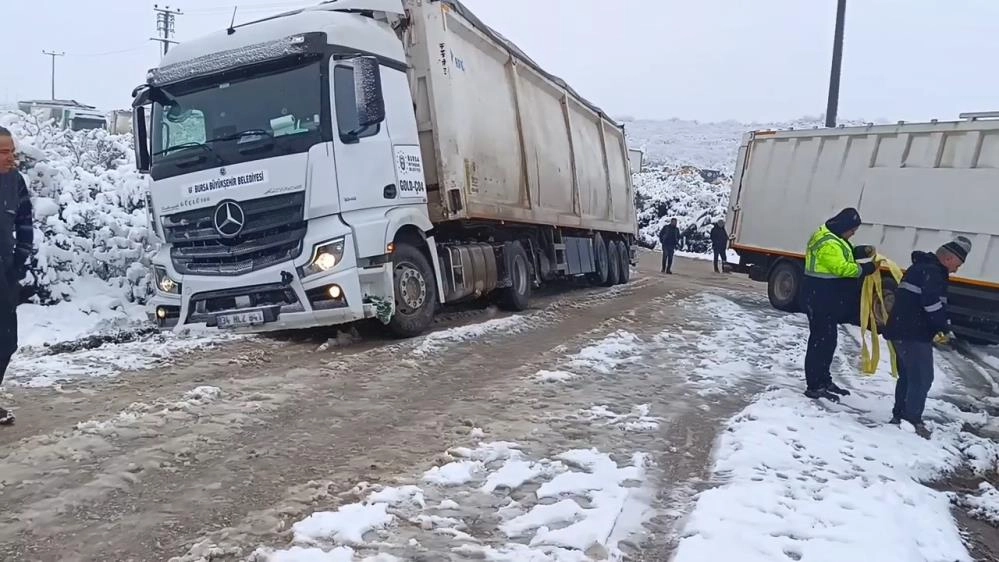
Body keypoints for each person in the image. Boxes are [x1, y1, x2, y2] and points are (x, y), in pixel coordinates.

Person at [884, 237, 971, 438]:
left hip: (903, 330)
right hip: (912, 333)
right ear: (948, 259)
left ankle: (901, 415)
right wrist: (943, 327)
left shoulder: (922, 267)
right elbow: (932, 304)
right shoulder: (932, 272)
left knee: (909, 375)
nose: (956, 270)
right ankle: (911, 420)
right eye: (957, 265)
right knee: (922, 377)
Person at [802, 207, 877, 402]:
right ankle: (814, 385)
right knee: (820, 342)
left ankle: (824, 380)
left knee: (828, 342)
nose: (853, 234)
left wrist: (861, 251)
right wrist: (866, 268)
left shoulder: (835, 237)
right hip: (820, 296)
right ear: (844, 226)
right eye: (852, 230)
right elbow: (841, 267)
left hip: (826, 297)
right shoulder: (826, 241)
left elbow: (846, 253)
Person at [0, 126, 33, 426]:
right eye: (3, 152)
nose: (10, 157)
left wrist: (21, 258)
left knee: (6, 342)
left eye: (11, 150)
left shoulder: (15, 182)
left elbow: (24, 220)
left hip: (4, 273)